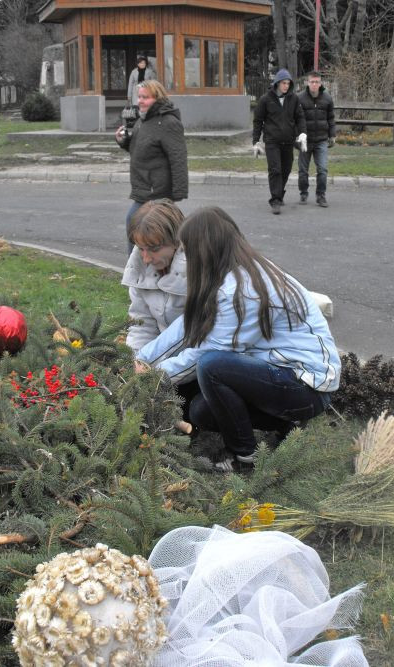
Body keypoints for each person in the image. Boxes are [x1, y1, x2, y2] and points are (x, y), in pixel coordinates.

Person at [136, 207, 341, 471]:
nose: (185, 257)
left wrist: (151, 378)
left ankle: (244, 457)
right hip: (278, 373)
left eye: (188, 250)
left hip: (306, 387)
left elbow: (206, 354)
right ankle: (284, 423)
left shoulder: (243, 291)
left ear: (205, 248)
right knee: (200, 411)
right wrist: (142, 359)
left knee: (212, 366)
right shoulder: (227, 274)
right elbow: (186, 326)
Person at [122, 198, 198, 424]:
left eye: (153, 249)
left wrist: (156, 375)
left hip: (197, 361)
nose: (145, 258)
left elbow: (202, 342)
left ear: (176, 242)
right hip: (161, 360)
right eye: (140, 248)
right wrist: (133, 363)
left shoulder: (198, 271)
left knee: (195, 412)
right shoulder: (140, 268)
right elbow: (141, 325)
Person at [116, 80, 188, 254]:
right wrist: (124, 141)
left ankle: (137, 273)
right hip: (143, 188)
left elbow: (178, 158)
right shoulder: (144, 120)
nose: (140, 101)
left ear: (158, 98)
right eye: (139, 97)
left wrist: (177, 194)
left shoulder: (168, 122)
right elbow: (139, 150)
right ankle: (146, 272)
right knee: (145, 232)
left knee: (135, 225)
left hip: (156, 192)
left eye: (145, 97)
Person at [252, 69, 307, 215]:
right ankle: (275, 200)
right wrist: (256, 141)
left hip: (288, 141)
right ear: (277, 83)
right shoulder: (265, 99)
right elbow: (258, 121)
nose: (286, 86)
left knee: (286, 170)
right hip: (272, 141)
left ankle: (279, 193)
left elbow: (300, 117)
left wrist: (302, 133)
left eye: (288, 83)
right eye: (284, 83)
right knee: (275, 170)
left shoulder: (293, 99)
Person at [297, 71, 336, 208]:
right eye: (312, 82)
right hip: (305, 141)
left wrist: (332, 135)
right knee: (303, 171)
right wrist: (297, 137)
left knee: (323, 169)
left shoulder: (327, 98)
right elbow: (294, 119)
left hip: (321, 140)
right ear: (307, 83)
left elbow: (331, 118)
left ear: (321, 83)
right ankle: (303, 192)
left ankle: (321, 195)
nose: (314, 84)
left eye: (317, 82)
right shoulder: (299, 98)